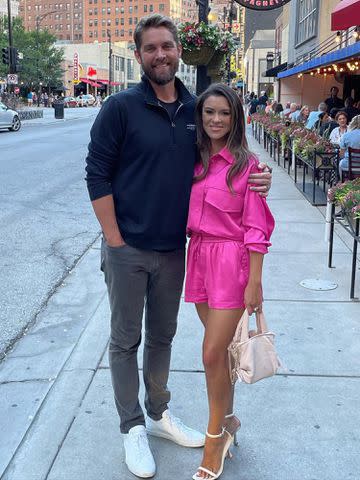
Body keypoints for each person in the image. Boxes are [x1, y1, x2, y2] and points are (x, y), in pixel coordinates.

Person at [85, 14, 272, 479]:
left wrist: (259, 176)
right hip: (128, 247)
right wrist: (114, 239)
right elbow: (96, 173)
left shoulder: (193, 108)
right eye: (151, 48)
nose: (161, 54)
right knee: (126, 339)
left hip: (176, 252)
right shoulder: (120, 107)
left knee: (166, 339)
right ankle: (132, 428)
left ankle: (159, 414)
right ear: (139, 54)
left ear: (178, 50)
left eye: (167, 45)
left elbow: (226, 150)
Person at [185, 83, 275, 480]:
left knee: (210, 353)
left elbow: (257, 228)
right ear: (200, 117)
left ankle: (213, 438)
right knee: (219, 353)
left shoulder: (248, 167)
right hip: (199, 258)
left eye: (224, 113)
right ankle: (230, 419)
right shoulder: (192, 161)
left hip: (232, 264)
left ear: (235, 117)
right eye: (209, 113)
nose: (216, 120)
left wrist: (254, 283)